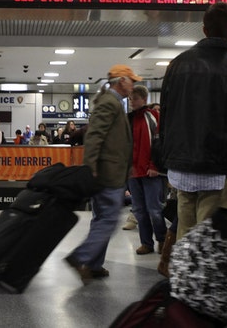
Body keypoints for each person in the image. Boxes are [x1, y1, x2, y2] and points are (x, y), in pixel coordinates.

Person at [158, 2, 227, 240]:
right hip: (221, 169)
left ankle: (182, 279)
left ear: (204, 29)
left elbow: (165, 115)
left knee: (185, 243)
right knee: (213, 247)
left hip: (181, 167)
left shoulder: (177, 65)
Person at [65, 64, 137, 284]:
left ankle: (94, 265)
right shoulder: (109, 103)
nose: (134, 84)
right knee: (108, 219)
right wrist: (91, 167)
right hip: (107, 173)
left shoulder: (113, 102)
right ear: (121, 81)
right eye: (131, 80)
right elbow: (94, 136)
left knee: (101, 220)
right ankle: (81, 257)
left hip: (110, 171)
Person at [127, 85, 166, 255]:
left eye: (135, 99)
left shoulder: (154, 117)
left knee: (154, 210)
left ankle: (163, 240)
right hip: (133, 173)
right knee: (139, 211)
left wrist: (155, 166)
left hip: (151, 172)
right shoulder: (128, 119)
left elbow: (159, 144)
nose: (131, 102)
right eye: (129, 99)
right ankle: (146, 243)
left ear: (144, 99)